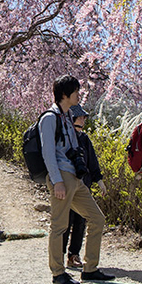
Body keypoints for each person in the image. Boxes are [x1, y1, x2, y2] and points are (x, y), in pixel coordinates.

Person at [41, 75, 110, 284]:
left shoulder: (68, 116)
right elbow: (48, 153)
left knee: (97, 218)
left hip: (76, 178)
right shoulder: (50, 118)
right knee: (59, 225)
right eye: (76, 91)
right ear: (65, 94)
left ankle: (90, 269)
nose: (79, 95)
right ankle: (58, 273)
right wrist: (57, 181)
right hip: (61, 176)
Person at [61, 104, 105, 271]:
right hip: (67, 187)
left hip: (83, 187)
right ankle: (60, 256)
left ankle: (74, 255)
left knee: (80, 223)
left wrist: (99, 179)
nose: (83, 119)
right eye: (80, 117)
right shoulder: (66, 137)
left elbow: (92, 161)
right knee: (65, 223)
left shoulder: (84, 138)